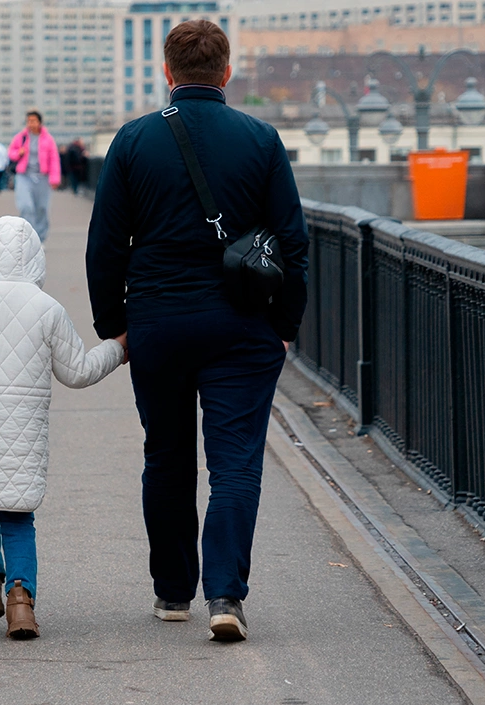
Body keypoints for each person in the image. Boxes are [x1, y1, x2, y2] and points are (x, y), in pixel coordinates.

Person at [85, 20, 309, 642]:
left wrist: (116, 327)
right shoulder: (261, 139)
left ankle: (173, 592)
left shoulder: (133, 141)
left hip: (157, 323)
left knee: (167, 455)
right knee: (235, 463)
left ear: (167, 72)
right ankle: (226, 596)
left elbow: (105, 245)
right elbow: (293, 243)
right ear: (226, 72)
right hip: (242, 324)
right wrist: (284, 325)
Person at [0, 216, 127, 640]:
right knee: (18, 512)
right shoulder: (47, 309)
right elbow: (77, 371)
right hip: (24, 425)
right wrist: (117, 349)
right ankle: (21, 602)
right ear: (36, 258)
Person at [8, 110, 61, 243]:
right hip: (24, 176)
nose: (31, 124)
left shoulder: (48, 139)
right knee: (26, 206)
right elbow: (10, 153)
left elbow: (54, 159)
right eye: (28, 121)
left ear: (39, 122)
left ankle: (40, 238)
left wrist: (55, 179)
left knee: (42, 208)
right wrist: (19, 153)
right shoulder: (21, 137)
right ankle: (28, 238)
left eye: (33, 121)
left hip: (42, 177)